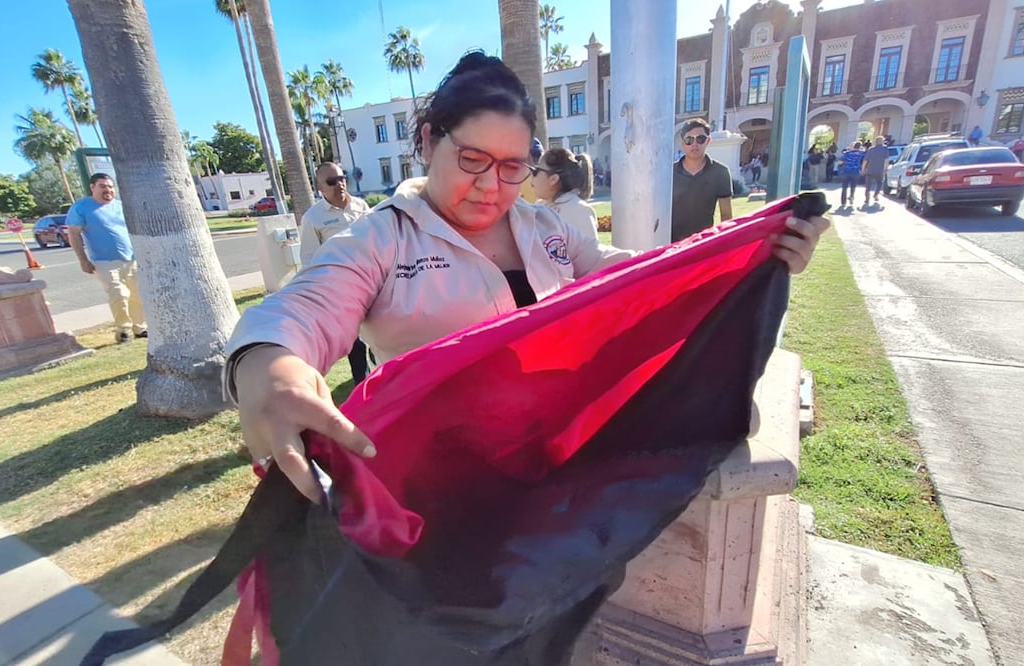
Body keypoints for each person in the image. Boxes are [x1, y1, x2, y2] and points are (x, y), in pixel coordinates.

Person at [222, 51, 829, 502]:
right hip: (444, 487)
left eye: (513, 166)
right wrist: (269, 371)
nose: (491, 187)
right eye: (472, 160)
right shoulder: (382, 237)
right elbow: (300, 310)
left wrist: (742, 254)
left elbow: (626, 279)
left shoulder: (543, 225)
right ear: (430, 140)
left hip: (560, 461)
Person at [299, 161, 372, 385]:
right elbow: (309, 258)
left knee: (380, 328)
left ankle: (384, 373)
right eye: (331, 181)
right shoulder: (313, 218)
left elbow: (377, 238)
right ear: (320, 187)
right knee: (355, 338)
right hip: (339, 285)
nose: (339, 184)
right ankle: (363, 382)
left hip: (371, 278)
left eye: (341, 178)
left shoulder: (361, 206)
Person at [66, 173, 146, 343]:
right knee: (118, 294)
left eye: (110, 186)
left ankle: (140, 327)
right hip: (104, 260)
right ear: (92, 187)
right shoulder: (81, 207)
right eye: (102, 186)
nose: (107, 190)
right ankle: (123, 329)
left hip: (131, 258)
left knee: (137, 294)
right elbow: (73, 233)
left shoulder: (120, 206)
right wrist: (83, 259)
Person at [671, 118, 733, 242]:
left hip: (703, 244)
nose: (694, 144)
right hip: (672, 245)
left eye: (700, 139)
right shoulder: (669, 173)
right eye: (689, 140)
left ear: (708, 140)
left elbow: (726, 216)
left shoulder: (721, 172)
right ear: (683, 143)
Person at [533, 147, 599, 240]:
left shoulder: (579, 211)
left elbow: (591, 252)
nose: (532, 176)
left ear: (553, 179)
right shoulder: (539, 206)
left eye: (536, 171)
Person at [860, 136, 891, 206]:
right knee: (879, 183)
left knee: (868, 186)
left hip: (870, 170)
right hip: (879, 170)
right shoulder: (885, 149)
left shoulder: (871, 149)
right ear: (882, 141)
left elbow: (865, 160)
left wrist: (863, 169)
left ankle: (867, 199)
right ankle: (876, 194)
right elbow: (886, 160)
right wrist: (886, 168)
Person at [838, 140, 864, 208]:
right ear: (860, 147)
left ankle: (843, 202)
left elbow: (840, 162)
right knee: (853, 187)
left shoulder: (847, 153)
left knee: (844, 188)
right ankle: (851, 196)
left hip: (846, 172)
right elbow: (864, 162)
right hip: (855, 172)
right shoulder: (862, 154)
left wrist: (843, 164)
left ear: (854, 146)